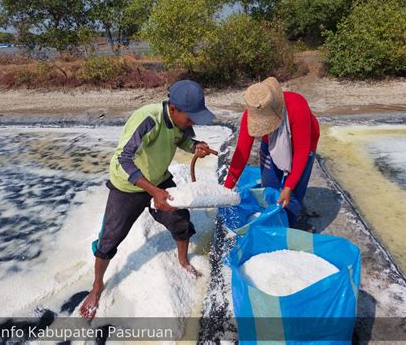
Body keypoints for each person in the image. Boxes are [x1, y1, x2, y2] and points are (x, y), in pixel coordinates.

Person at [80, 80, 215, 320]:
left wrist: (194, 145)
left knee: (181, 220)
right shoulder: (148, 119)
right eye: (191, 117)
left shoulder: (180, 121)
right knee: (109, 239)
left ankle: (183, 261)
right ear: (173, 108)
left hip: (159, 178)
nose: (192, 122)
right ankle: (97, 287)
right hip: (128, 185)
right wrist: (153, 191)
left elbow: (180, 139)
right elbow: (123, 158)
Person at [223, 77, 319, 227]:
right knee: (269, 189)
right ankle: (271, 222)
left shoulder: (297, 107)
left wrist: (288, 188)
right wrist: (227, 188)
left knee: (292, 196)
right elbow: (241, 154)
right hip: (272, 142)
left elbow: (301, 153)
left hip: (304, 144)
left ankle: (288, 228)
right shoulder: (253, 113)